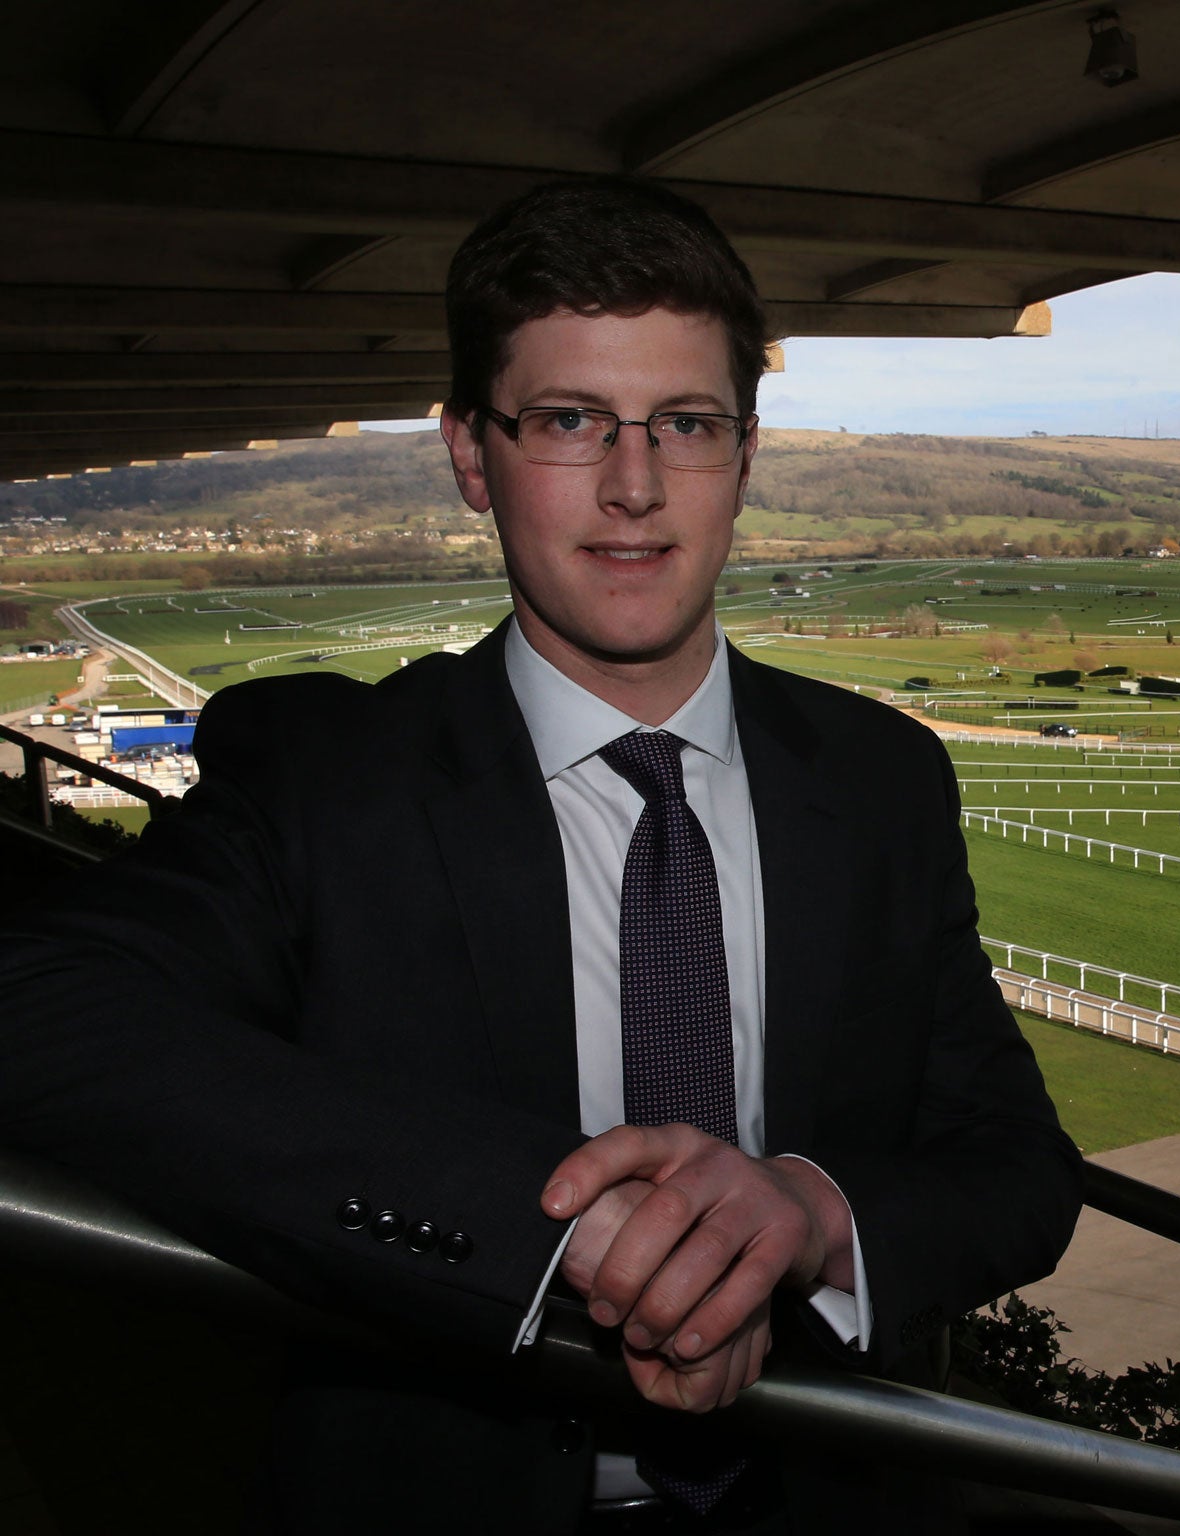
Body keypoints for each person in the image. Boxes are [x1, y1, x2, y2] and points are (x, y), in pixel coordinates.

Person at [0, 178, 1082, 1533]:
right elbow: (36, 1015)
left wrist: (812, 1216)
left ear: (744, 451)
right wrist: (547, 1225)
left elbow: (1019, 1169)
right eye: (570, 421)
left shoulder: (879, 782)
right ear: (470, 454)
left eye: (684, 423)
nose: (634, 488)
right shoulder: (332, 780)